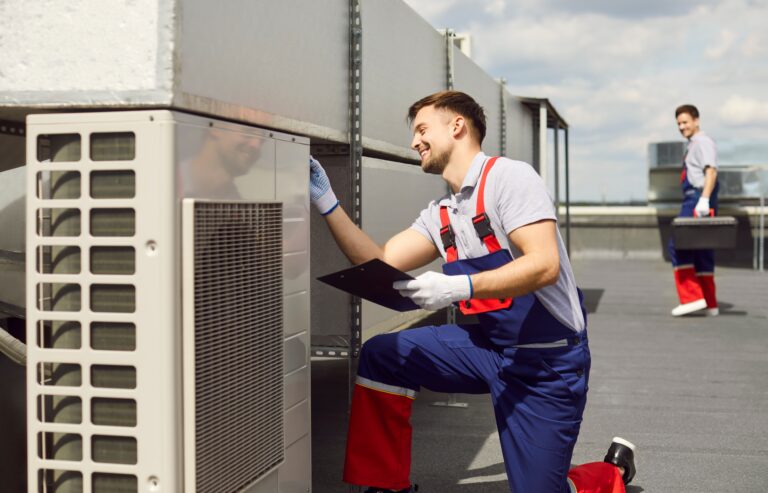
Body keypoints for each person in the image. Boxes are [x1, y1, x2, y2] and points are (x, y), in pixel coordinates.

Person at [309, 90, 636, 492]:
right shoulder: (441, 213)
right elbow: (379, 259)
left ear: (457, 126)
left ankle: (611, 473)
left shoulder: (510, 179)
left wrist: (458, 286)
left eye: (422, 130)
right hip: (490, 350)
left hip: (547, 363)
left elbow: (544, 264)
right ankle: (386, 485)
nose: (414, 142)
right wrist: (328, 203)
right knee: (383, 355)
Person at [668, 104, 720, 317]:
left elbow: (711, 172)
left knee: (678, 244)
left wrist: (704, 200)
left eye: (685, 122)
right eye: (679, 123)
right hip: (699, 198)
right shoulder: (694, 144)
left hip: (696, 198)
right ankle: (709, 303)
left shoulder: (702, 142)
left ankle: (691, 298)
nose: (682, 127)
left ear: (696, 120)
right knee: (701, 248)